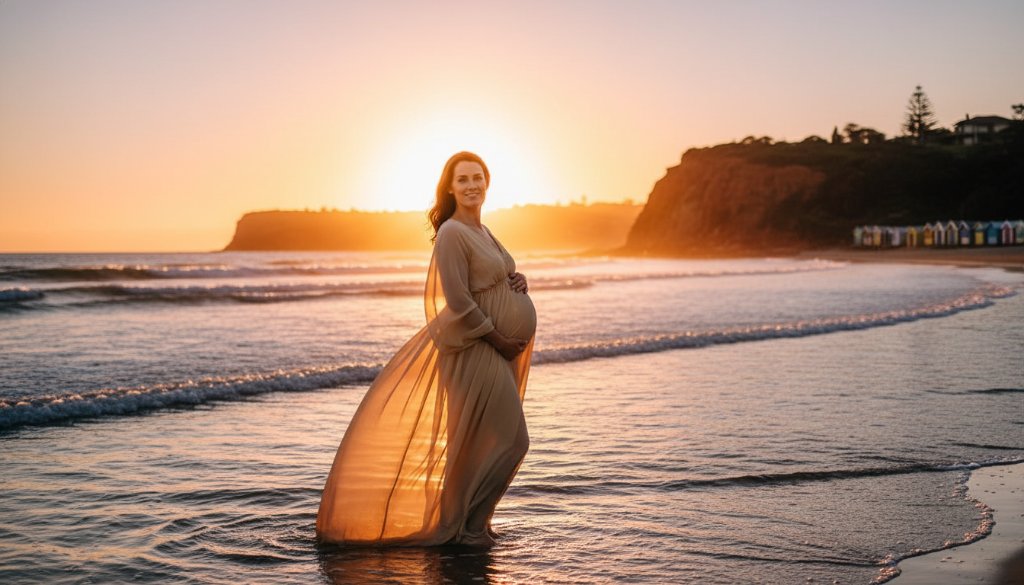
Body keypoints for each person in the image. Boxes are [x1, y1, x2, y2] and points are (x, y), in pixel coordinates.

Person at [317, 151, 536, 547]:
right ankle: (465, 529)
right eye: (463, 179)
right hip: (476, 349)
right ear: (450, 188)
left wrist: (516, 278)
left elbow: (490, 279)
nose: (472, 185)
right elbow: (457, 300)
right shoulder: (452, 232)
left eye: (477, 177)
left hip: (492, 350)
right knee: (513, 441)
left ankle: (471, 525)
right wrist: (499, 339)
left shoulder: (484, 231)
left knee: (477, 442)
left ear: (488, 182)